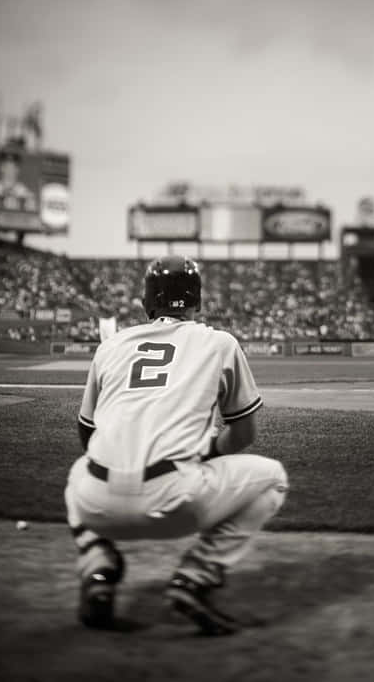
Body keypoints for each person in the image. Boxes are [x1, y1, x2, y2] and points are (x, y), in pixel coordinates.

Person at [64, 256, 288, 635]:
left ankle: (98, 567)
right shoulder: (219, 343)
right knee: (273, 478)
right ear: (198, 301)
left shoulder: (111, 346)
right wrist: (207, 453)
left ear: (145, 302)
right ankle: (192, 579)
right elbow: (244, 435)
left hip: (95, 505)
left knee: (78, 471)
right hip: (174, 503)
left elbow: (87, 435)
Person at [0, 144, 37, 212]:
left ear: (18, 169)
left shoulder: (25, 194)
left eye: (13, 166)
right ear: (1, 167)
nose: (9, 170)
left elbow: (31, 218)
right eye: (6, 166)